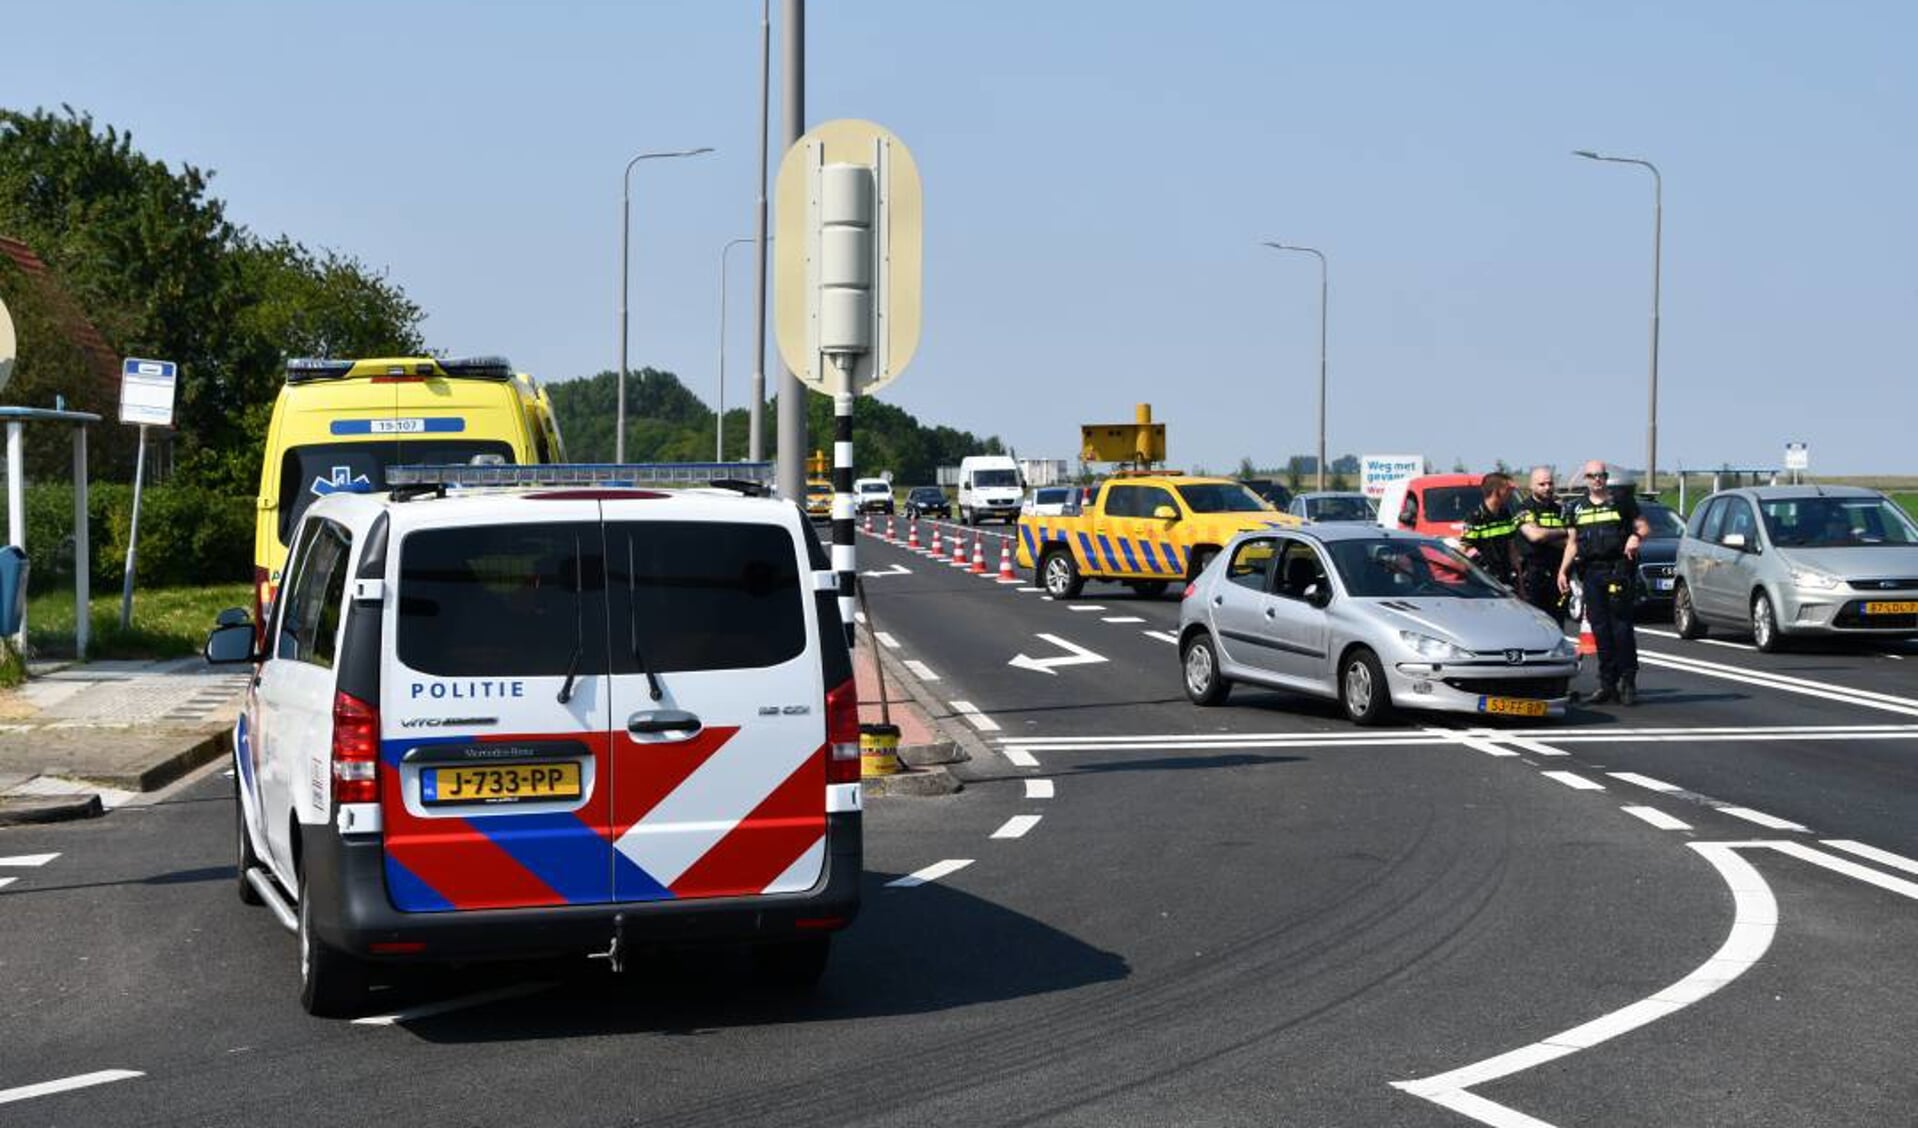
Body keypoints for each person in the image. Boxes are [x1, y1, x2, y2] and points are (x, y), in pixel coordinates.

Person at [1557, 461, 1651, 706]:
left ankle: (1628, 681)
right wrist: (1563, 571)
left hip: (1617, 570)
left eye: (1601, 475)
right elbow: (1572, 543)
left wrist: (1634, 537)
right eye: (1592, 476)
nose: (1597, 480)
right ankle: (1607, 684)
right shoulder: (1575, 507)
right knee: (1600, 629)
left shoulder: (1621, 501)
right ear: (1585, 480)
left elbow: (1643, 527)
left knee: (1621, 628)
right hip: (1591, 573)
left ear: (1606, 478)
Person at [1513, 466, 1572, 626]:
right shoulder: (1523, 509)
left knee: (1557, 621)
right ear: (1531, 486)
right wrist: (1564, 531)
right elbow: (1535, 535)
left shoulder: (1562, 510)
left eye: (1550, 484)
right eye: (1542, 484)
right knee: (1535, 623)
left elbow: (1573, 541)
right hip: (1532, 575)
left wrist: (1547, 537)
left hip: (1558, 574)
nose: (1547, 488)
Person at [1459, 472, 1520, 587]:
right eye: (1507, 489)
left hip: (1505, 578)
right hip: (1483, 581)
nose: (1510, 493)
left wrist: (1520, 585)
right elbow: (1463, 551)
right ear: (1496, 491)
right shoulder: (1475, 518)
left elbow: (1512, 550)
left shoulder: (1505, 514)